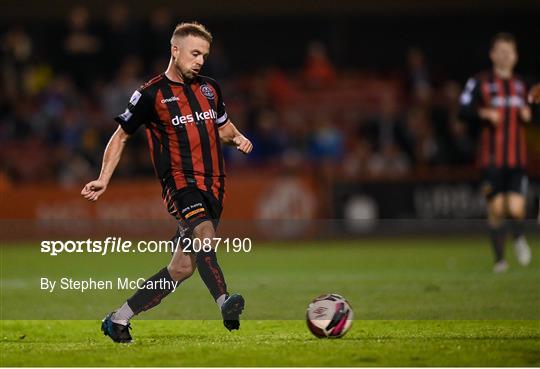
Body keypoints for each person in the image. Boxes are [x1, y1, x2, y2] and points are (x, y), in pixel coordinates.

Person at [81, 22, 253, 342]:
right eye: (195, 53)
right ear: (175, 51)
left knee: (181, 268)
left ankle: (119, 319)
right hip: (180, 184)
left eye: (204, 55)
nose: (200, 61)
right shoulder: (150, 94)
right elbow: (120, 137)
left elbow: (222, 128)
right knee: (205, 235)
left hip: (214, 185)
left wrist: (239, 138)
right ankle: (224, 301)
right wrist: (104, 177)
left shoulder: (210, 89)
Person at [459, 32, 532, 273]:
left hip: (517, 158)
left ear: (515, 56)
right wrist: (483, 113)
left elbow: (532, 113)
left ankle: (519, 237)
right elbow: (463, 109)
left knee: (517, 208)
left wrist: (529, 116)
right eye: (500, 51)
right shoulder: (479, 82)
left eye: (509, 52)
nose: (504, 55)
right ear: (492, 54)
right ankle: (500, 260)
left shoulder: (522, 86)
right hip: (490, 159)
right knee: (496, 209)